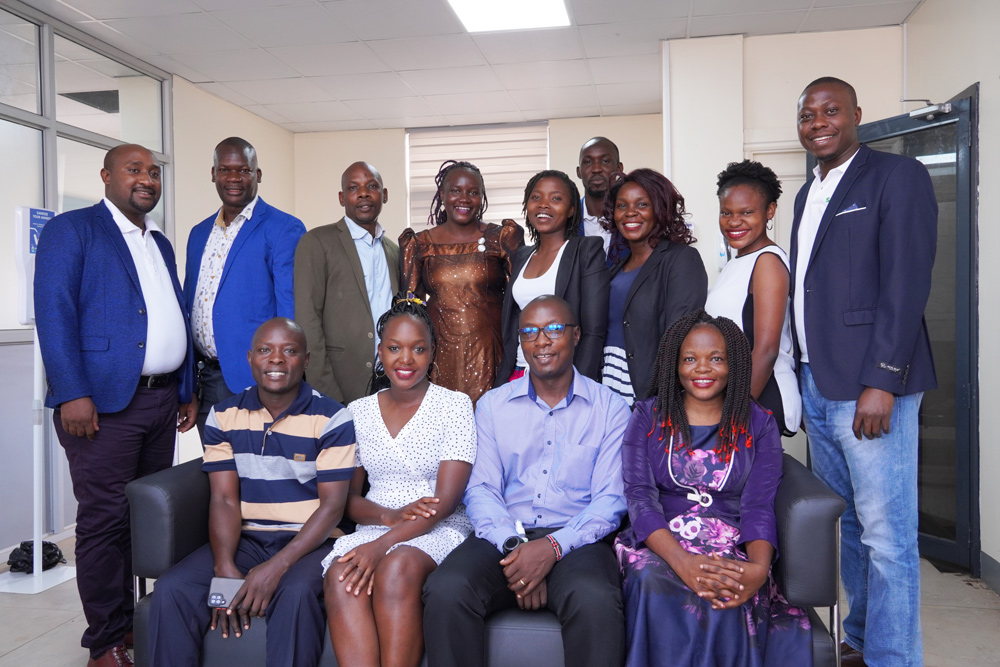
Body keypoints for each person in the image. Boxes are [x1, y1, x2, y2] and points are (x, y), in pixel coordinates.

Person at [791, 77, 937, 667]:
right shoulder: (808, 192)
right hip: (819, 385)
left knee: (887, 538)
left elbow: (906, 282)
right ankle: (860, 638)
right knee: (850, 526)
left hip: (872, 388)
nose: (818, 121)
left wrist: (884, 378)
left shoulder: (896, 178)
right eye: (807, 114)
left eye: (830, 111)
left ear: (856, 114)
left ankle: (894, 658)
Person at [33, 143, 196, 667]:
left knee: (147, 520)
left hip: (159, 402)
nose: (146, 179)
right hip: (100, 406)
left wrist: (186, 388)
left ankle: (143, 625)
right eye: (134, 170)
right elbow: (53, 314)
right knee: (104, 523)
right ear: (106, 176)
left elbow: (173, 314)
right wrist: (72, 392)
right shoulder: (72, 230)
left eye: (153, 171)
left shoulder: (160, 242)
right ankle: (107, 641)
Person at [423, 295, 630, 667]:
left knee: (595, 600)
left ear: (576, 335)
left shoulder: (611, 408)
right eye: (530, 332)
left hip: (577, 539)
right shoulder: (491, 405)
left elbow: (610, 500)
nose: (542, 341)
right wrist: (518, 550)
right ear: (520, 342)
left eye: (553, 329)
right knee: (447, 590)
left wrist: (550, 549)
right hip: (503, 536)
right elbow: (481, 489)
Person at [148, 318, 355, 667]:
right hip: (247, 540)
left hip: (312, 543)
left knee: (296, 594)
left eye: (289, 351)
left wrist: (276, 568)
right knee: (172, 589)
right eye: (265, 350)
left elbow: (333, 507)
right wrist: (224, 565)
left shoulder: (333, 417)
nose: (276, 359)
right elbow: (224, 499)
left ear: (305, 359)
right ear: (250, 358)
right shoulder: (223, 415)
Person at [616, 310, 812, 667]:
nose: (702, 368)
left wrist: (757, 570)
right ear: (674, 365)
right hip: (659, 544)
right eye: (690, 359)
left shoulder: (759, 423)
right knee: (651, 580)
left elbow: (759, 505)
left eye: (715, 359)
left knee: (729, 588)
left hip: (731, 541)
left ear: (733, 364)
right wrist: (683, 563)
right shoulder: (647, 416)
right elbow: (640, 499)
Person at [323, 296, 476, 667]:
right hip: (378, 523)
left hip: (437, 527)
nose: (405, 360)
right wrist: (390, 518)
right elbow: (350, 501)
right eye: (394, 348)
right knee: (342, 571)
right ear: (380, 351)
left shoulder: (455, 406)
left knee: (395, 568)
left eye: (417, 349)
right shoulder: (357, 412)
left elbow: (447, 500)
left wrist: (385, 545)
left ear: (432, 351)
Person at [184, 136, 306, 436]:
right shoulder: (199, 233)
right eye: (225, 169)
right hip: (204, 378)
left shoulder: (283, 228)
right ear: (213, 174)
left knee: (257, 473)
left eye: (244, 170)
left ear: (257, 175)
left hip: (254, 380)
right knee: (216, 470)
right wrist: (186, 383)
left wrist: (283, 379)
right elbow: (190, 305)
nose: (234, 178)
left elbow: (290, 309)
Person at [399, 159, 524, 404]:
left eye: (473, 192)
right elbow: (410, 310)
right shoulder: (419, 244)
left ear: (482, 197)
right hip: (439, 357)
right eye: (455, 191)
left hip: (491, 355)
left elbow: (520, 299)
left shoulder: (501, 238)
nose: (464, 198)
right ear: (442, 195)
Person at [705, 160, 801, 435]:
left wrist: (731, 419)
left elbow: (766, 349)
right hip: (740, 396)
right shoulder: (738, 262)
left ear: (770, 210)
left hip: (761, 397)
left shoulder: (767, 262)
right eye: (726, 212)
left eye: (746, 212)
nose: (734, 222)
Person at [294, 161, 399, 404]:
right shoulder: (317, 242)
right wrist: (325, 392)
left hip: (390, 384)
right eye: (354, 188)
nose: (363, 193)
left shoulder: (394, 251)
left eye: (372, 186)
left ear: (384, 195)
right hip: (340, 384)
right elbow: (307, 319)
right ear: (342, 198)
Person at [601, 168, 708, 406]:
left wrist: (658, 400)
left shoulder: (681, 259)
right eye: (622, 206)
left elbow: (680, 336)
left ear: (659, 209)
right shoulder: (616, 268)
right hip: (607, 387)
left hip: (649, 392)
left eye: (642, 205)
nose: (630, 213)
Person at [497, 169, 609, 384]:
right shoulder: (522, 255)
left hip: (564, 377)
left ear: (571, 210)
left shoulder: (586, 250)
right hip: (520, 372)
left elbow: (594, 331)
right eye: (536, 197)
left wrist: (580, 386)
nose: (543, 204)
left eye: (556, 198)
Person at [576, 136, 623, 259]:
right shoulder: (566, 220)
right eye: (588, 162)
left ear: (619, 169)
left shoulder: (632, 218)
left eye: (605, 161)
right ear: (579, 172)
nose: (596, 169)